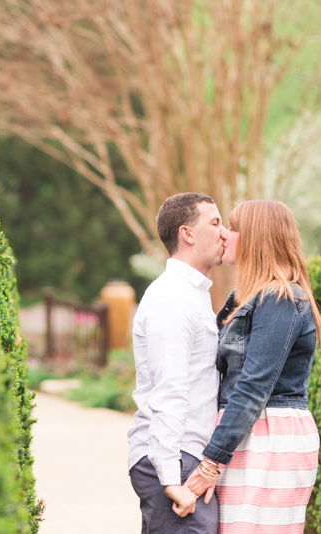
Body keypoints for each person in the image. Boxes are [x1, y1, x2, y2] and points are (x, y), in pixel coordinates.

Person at [185, 199, 321, 534]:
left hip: (269, 435)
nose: (225, 236)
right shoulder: (244, 297)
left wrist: (210, 462)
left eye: (233, 229)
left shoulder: (280, 298)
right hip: (244, 433)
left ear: (256, 238)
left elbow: (253, 386)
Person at [128, 192, 228, 534]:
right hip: (176, 457)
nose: (224, 232)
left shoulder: (193, 293)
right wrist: (171, 479)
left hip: (183, 455)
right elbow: (170, 389)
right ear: (187, 234)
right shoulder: (172, 297)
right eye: (215, 223)